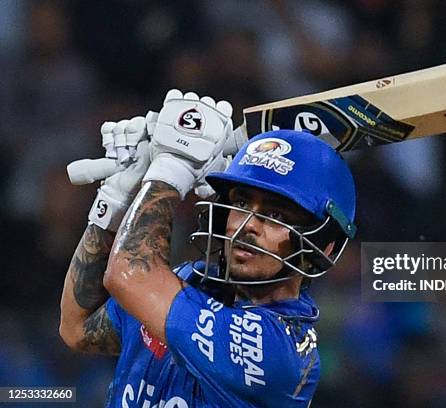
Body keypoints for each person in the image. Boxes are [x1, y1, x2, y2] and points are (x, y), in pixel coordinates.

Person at [59, 89, 356, 407]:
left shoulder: (277, 353)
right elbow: (77, 329)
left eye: (275, 215)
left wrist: (172, 167)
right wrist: (117, 197)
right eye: (241, 202)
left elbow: (128, 276)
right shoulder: (191, 278)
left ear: (323, 245)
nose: (248, 225)